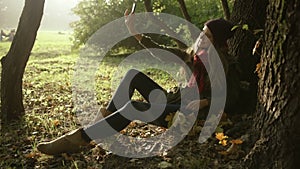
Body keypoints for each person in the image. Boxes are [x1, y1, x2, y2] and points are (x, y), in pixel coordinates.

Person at [37, 10, 238, 155]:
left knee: (133, 107)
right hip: (173, 100)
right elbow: (165, 52)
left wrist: (204, 102)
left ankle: (79, 138)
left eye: (208, 36)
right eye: (203, 31)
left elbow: (228, 97)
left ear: (218, 42)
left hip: (187, 114)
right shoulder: (194, 55)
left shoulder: (222, 64)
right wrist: (137, 35)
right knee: (133, 74)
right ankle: (103, 123)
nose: (202, 37)